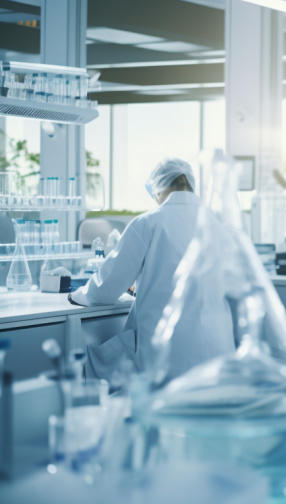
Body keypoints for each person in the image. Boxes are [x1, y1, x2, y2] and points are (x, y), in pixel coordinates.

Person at [69, 158, 235, 382]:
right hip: (219, 351)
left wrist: (76, 295)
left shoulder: (148, 223)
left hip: (170, 355)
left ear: (159, 187)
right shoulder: (218, 225)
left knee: (93, 367)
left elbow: (106, 287)